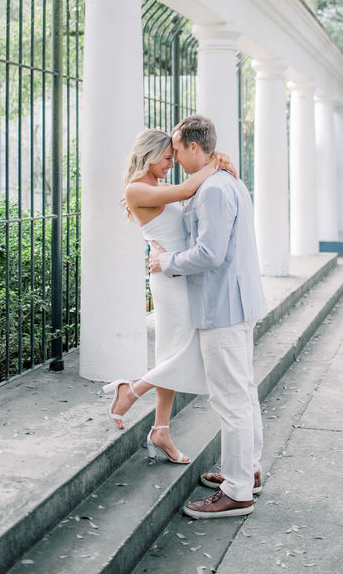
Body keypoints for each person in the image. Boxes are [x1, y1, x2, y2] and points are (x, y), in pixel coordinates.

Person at [149, 114, 267, 519]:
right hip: (238, 303)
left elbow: (209, 254)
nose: (175, 157)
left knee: (231, 400)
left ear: (194, 147)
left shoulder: (214, 189)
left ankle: (237, 492)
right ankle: (247, 472)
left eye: (178, 149)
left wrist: (166, 262)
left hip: (223, 308)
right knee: (243, 393)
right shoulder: (226, 180)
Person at [103, 128, 234, 465]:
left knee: (172, 352)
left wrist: (216, 164)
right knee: (187, 349)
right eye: (166, 158)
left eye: (173, 158)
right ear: (148, 155)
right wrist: (215, 163)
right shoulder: (137, 189)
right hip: (169, 280)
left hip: (177, 271)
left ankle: (161, 429)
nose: (171, 164)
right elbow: (189, 189)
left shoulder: (158, 186)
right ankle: (130, 391)